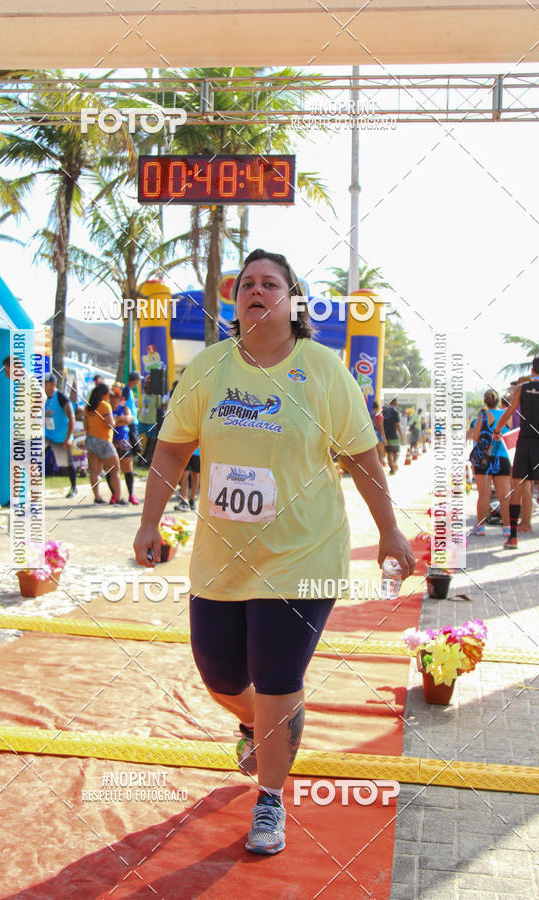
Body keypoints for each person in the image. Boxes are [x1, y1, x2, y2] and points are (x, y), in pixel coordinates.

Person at [133, 248, 415, 856]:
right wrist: (149, 522)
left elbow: (362, 458)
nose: (256, 291)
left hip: (302, 555)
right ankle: (252, 724)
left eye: (271, 283)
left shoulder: (322, 369)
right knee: (221, 674)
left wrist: (390, 532)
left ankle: (269, 800)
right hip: (222, 557)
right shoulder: (209, 368)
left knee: (278, 676)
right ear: (236, 303)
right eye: (247, 285)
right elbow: (173, 449)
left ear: (293, 300)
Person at [495, 356, 539, 549]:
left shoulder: (522, 389)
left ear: (532, 370)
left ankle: (513, 537)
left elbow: (511, 411)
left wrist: (497, 430)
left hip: (525, 441)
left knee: (517, 487)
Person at [469, 389, 512, 536]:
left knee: (484, 494)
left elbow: (475, 438)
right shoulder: (506, 415)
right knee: (504, 494)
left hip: (484, 460)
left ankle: (480, 528)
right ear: (498, 401)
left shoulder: (483, 415)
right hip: (502, 457)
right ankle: (507, 527)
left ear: (485, 401)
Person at [83, 383, 124, 505]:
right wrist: (119, 420)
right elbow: (110, 424)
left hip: (90, 440)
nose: (110, 397)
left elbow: (86, 425)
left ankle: (97, 498)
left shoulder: (88, 407)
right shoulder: (105, 406)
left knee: (94, 472)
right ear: (104, 394)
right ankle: (119, 498)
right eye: (108, 395)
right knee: (115, 469)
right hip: (103, 441)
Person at [44, 373, 77, 498]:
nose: (43, 386)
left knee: (67, 463)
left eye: (45, 384)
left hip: (62, 437)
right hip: (47, 435)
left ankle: (74, 488)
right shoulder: (44, 397)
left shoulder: (61, 397)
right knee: (34, 456)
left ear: (53, 384)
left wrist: (68, 438)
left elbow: (72, 418)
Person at [110, 383, 139, 505]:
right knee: (110, 469)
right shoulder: (107, 408)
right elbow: (108, 423)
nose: (114, 398)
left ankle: (131, 494)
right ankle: (114, 494)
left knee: (128, 469)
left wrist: (116, 420)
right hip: (111, 441)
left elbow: (129, 419)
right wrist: (119, 420)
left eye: (116, 396)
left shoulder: (124, 408)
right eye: (112, 395)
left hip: (124, 441)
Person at [122, 370, 142, 459]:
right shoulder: (126, 389)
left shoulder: (129, 390)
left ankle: (128, 465)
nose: (138, 382)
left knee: (133, 446)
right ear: (135, 380)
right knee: (136, 447)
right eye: (138, 380)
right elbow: (122, 403)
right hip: (130, 422)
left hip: (133, 421)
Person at [174, 445, 200, 511]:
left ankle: (192, 500)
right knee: (184, 474)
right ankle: (184, 501)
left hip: (198, 451)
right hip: (186, 449)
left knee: (195, 474)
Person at [383, 398, 403, 475]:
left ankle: (391, 468)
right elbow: (397, 425)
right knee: (396, 452)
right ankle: (394, 465)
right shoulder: (395, 412)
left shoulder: (384, 412)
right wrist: (401, 434)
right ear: (395, 403)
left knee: (389, 453)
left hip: (385, 435)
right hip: (394, 435)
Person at [370, 400, 386, 466]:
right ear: (378, 407)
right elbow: (381, 428)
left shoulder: (369, 415)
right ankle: (380, 469)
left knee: (374, 455)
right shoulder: (379, 416)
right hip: (378, 436)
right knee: (380, 454)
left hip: (370, 436)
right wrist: (384, 438)